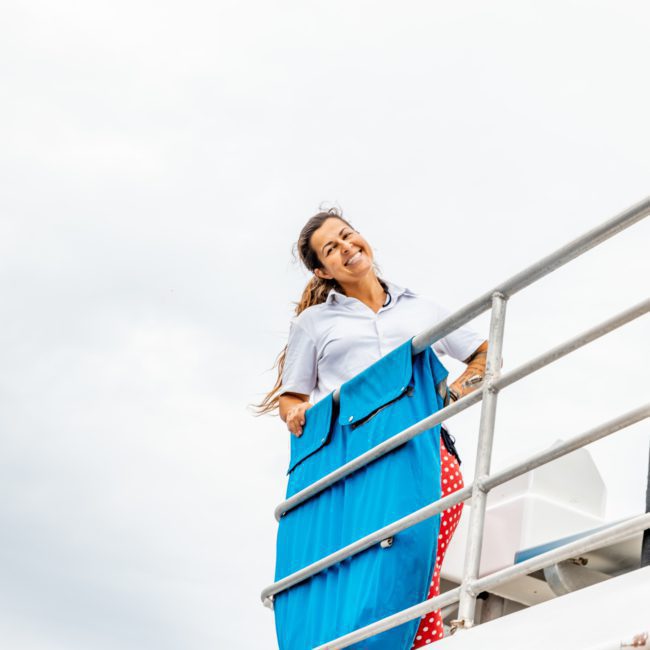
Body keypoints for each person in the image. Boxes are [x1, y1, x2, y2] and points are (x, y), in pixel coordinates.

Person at [257, 208, 488, 647]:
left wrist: (450, 396)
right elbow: (293, 395)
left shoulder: (424, 309)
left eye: (348, 236)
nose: (346, 248)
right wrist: (293, 413)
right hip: (356, 468)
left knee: (411, 574)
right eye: (331, 248)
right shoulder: (313, 324)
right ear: (323, 269)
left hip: (426, 456)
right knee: (365, 582)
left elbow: (484, 353)